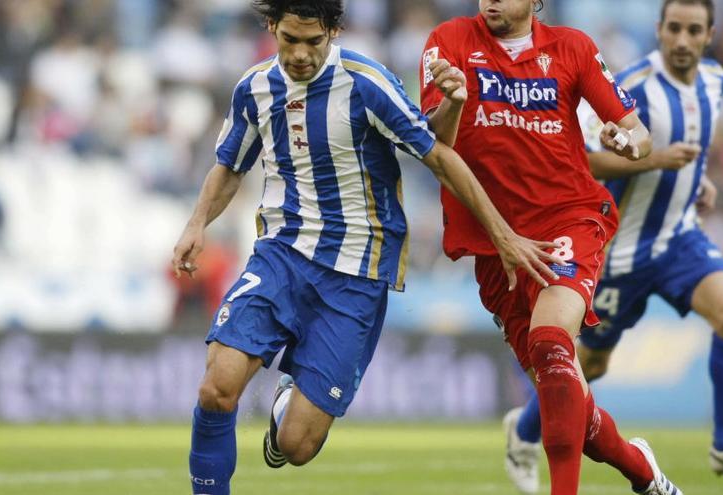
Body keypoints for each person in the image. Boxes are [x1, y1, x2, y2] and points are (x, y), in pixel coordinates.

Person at [172, 1, 561, 494]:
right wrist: (196, 224)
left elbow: (437, 155)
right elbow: (230, 165)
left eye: (313, 41)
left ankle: (287, 404)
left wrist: (503, 236)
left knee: (297, 446)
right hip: (281, 254)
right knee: (217, 386)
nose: (300, 54)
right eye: (290, 39)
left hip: (357, 274)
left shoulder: (366, 84)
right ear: (272, 27)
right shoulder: (253, 88)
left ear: (334, 31)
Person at [504, 0, 723, 491]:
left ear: (709, 35)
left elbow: (689, 145)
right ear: (659, 29)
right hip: (619, 251)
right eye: (673, 28)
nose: (682, 39)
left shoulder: (714, 81)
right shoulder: (629, 85)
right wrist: (655, 162)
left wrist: (698, 182)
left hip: (677, 240)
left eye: (693, 30)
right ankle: (522, 432)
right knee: (586, 364)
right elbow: (583, 162)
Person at [420, 1, 683, 494]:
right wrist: (453, 100)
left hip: (570, 217)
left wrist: (628, 144)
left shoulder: (572, 47)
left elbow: (637, 133)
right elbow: (436, 147)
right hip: (493, 241)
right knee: (569, 402)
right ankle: (644, 471)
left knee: (549, 339)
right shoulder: (449, 40)